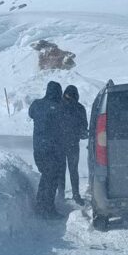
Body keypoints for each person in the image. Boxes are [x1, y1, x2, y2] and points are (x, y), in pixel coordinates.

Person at [28, 81, 64, 219]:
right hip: (52, 150)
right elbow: (63, 125)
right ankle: (48, 209)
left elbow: (31, 114)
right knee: (51, 179)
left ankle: (40, 204)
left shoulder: (36, 104)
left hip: (38, 149)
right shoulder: (58, 108)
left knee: (46, 176)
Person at [58, 85, 88, 206]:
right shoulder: (80, 108)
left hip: (60, 143)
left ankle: (61, 195)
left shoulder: (59, 106)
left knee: (61, 170)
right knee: (73, 170)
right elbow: (84, 128)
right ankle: (76, 195)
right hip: (73, 144)